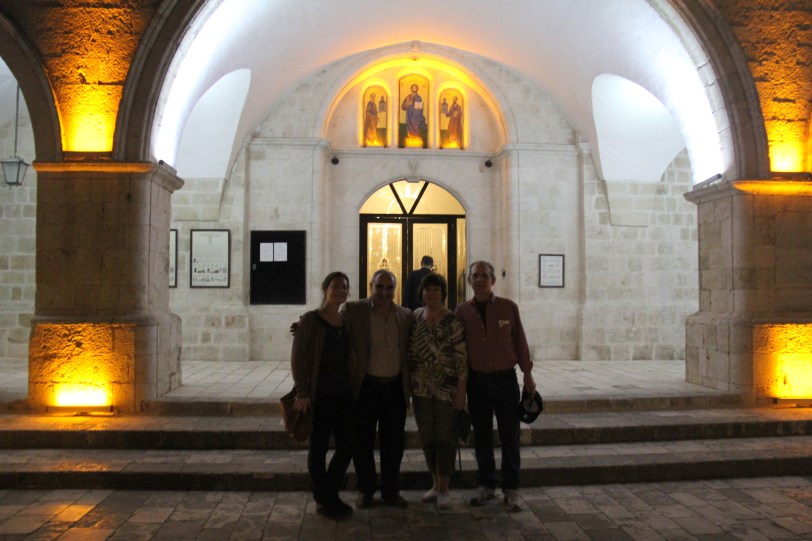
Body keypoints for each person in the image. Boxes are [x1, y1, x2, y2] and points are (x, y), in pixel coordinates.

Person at [454, 260, 536, 513]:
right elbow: (460, 352)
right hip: (477, 382)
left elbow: (520, 342)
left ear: (493, 280)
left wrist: (528, 376)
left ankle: (511, 489)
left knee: (510, 436)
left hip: (505, 381)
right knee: (482, 437)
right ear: (469, 281)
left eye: (484, 275)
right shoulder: (461, 312)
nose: (479, 280)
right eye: (474, 276)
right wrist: (461, 390)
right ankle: (486, 485)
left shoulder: (508, 308)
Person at [342, 269, 412, 509]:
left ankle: (391, 490)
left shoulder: (405, 315)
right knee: (362, 442)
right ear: (370, 286)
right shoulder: (354, 311)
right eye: (379, 287)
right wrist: (304, 325)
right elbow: (331, 326)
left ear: (395, 289)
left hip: (395, 387)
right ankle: (366, 489)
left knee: (394, 443)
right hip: (367, 387)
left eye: (389, 288)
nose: (384, 292)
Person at [290, 271, 355, 520]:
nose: (340, 291)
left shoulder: (344, 321)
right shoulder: (311, 320)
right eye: (335, 286)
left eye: (344, 287)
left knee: (347, 445)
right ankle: (325, 499)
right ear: (326, 288)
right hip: (319, 395)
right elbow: (297, 358)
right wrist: (303, 391)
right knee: (318, 448)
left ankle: (327, 492)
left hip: (342, 393)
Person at [408, 272, 467, 510]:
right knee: (428, 437)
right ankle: (434, 483)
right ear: (421, 292)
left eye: (436, 290)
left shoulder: (452, 319)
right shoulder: (415, 316)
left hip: (447, 389)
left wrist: (461, 391)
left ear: (442, 293)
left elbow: (462, 358)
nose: (431, 294)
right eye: (427, 290)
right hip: (421, 388)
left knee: (445, 436)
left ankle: (444, 487)